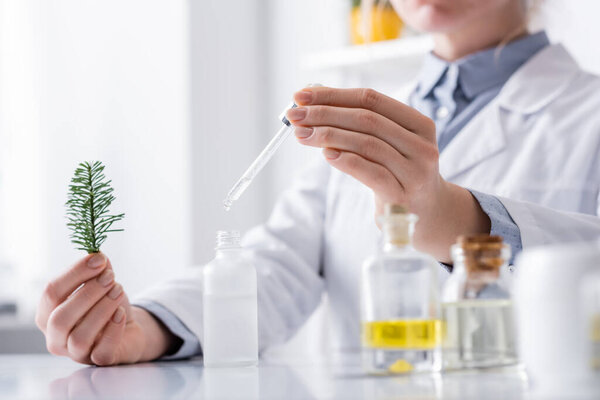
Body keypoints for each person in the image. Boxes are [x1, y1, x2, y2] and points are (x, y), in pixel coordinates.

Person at [36, 0, 600, 366]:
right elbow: (276, 263)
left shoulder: (588, 112)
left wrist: (463, 224)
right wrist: (147, 327)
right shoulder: (369, 119)